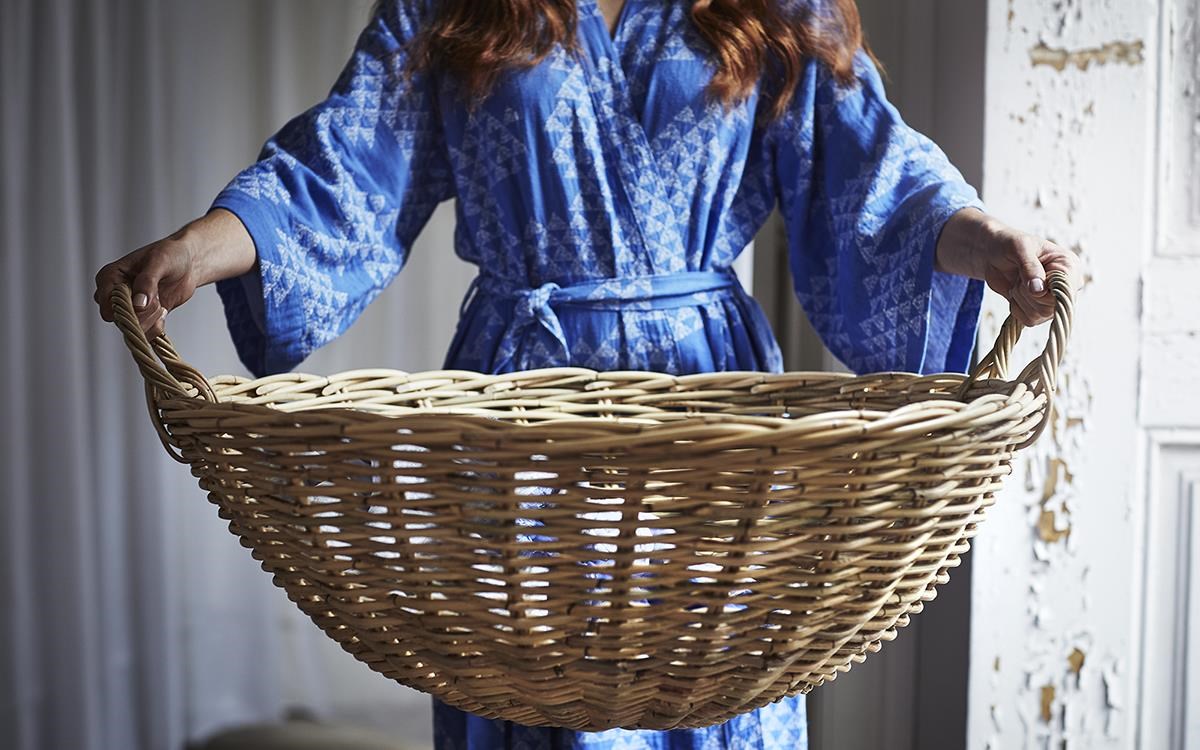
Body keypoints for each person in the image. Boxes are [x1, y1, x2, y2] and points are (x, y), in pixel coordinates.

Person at [94, 0, 1081, 747]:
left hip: (709, 417)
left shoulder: (780, 6)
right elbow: (347, 169)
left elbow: (872, 173)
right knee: (530, 686)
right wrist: (205, 244)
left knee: (713, 683)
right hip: (517, 416)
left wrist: (979, 237)